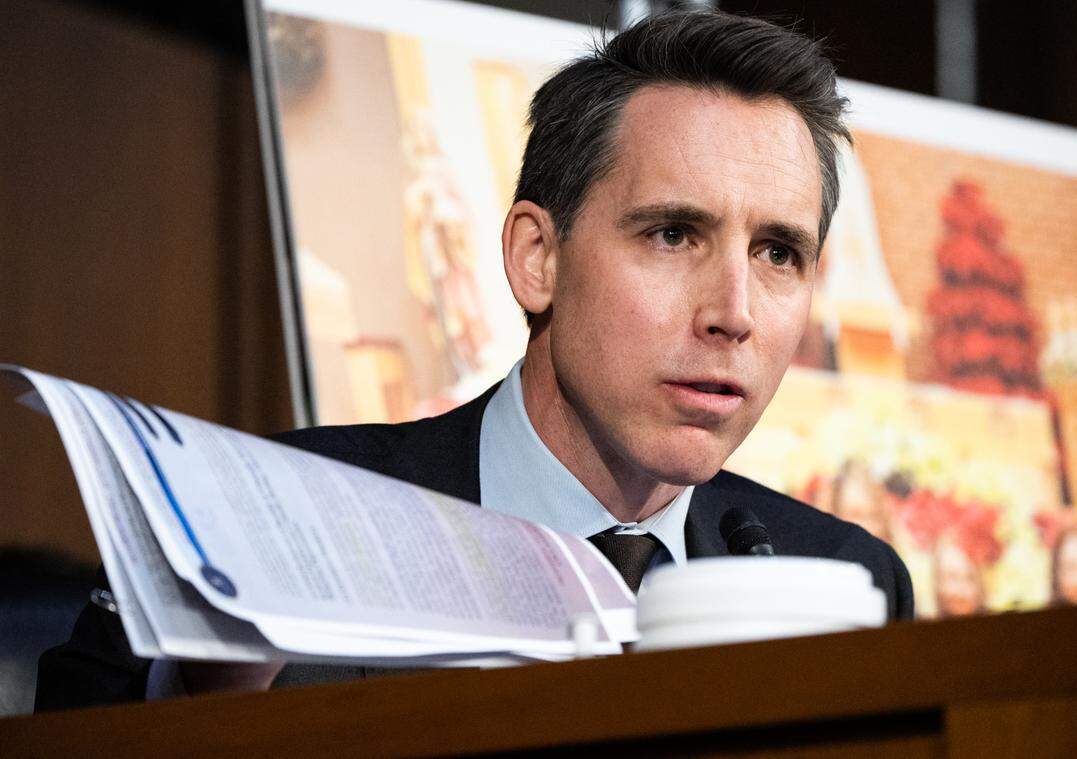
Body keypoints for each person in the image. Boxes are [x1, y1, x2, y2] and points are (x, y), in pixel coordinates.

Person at [36, 10, 913, 710]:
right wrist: (208, 689)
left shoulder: (843, 580)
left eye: (779, 254)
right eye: (674, 233)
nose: (736, 313)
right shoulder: (266, 518)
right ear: (538, 257)